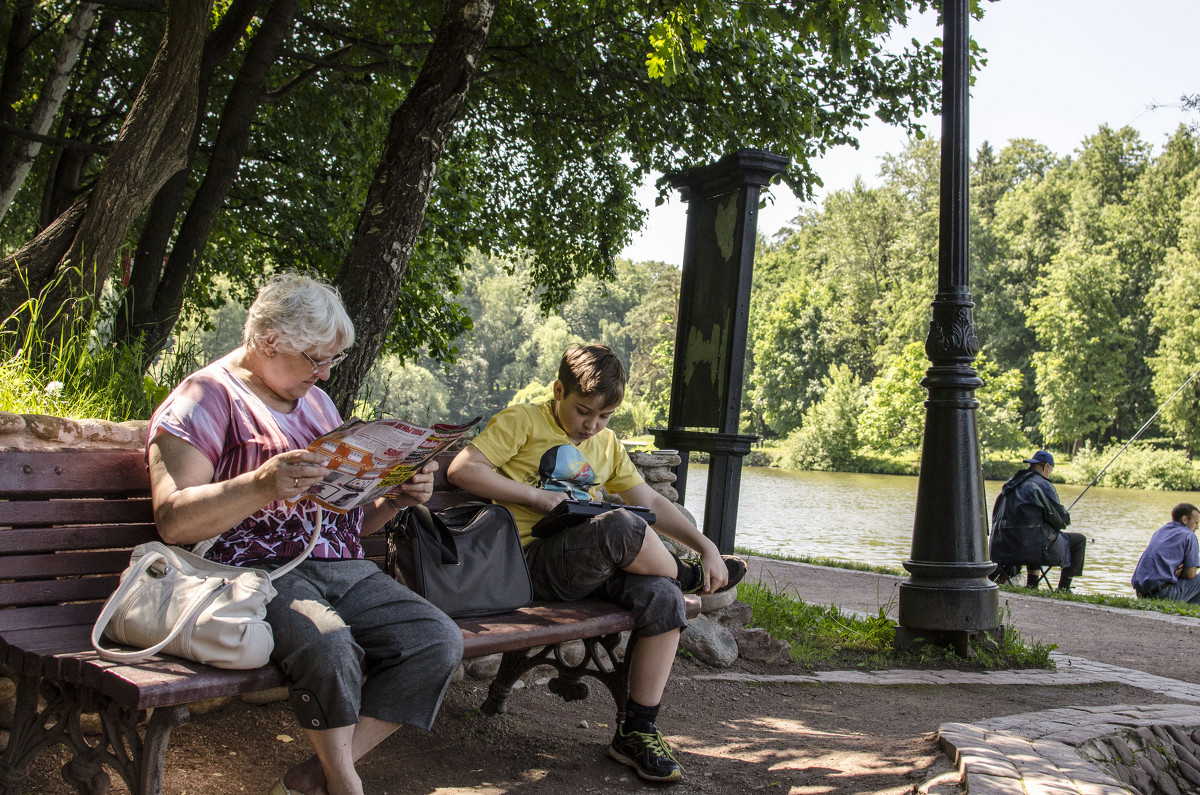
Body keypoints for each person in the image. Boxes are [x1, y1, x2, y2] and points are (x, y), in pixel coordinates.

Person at [146, 273, 462, 795]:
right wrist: (260, 484)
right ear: (268, 340)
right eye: (315, 360)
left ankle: (311, 779)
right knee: (331, 644)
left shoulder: (316, 405)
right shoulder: (205, 397)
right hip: (249, 573)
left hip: (339, 566)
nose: (324, 375)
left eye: (331, 361)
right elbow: (174, 521)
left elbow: (344, 522)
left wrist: (394, 497)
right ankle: (343, 782)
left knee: (435, 639)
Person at [447, 344, 746, 784]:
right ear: (558, 391)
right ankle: (687, 577)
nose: (592, 425)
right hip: (528, 563)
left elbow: (651, 502)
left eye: (604, 417)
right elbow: (461, 470)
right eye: (583, 411)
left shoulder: (606, 445)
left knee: (663, 597)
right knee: (622, 526)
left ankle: (636, 730)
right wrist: (535, 496)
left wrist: (707, 546)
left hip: (588, 565)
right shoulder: (523, 422)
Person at [989, 450, 1087, 591]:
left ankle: (1032, 584)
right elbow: (1060, 520)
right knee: (1078, 540)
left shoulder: (1010, 485)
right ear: (1046, 467)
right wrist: (1064, 517)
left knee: (1035, 531)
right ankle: (1064, 589)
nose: (1049, 473)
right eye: (1050, 470)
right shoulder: (1042, 485)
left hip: (1001, 548)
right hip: (1030, 548)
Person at [1131, 503, 1200, 603]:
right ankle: (1192, 610)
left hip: (1141, 594)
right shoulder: (1189, 535)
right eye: (1196, 523)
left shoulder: (1161, 531)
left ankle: (1191, 609)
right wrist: (1185, 569)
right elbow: (1190, 574)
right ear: (1185, 519)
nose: (1197, 527)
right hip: (1163, 594)